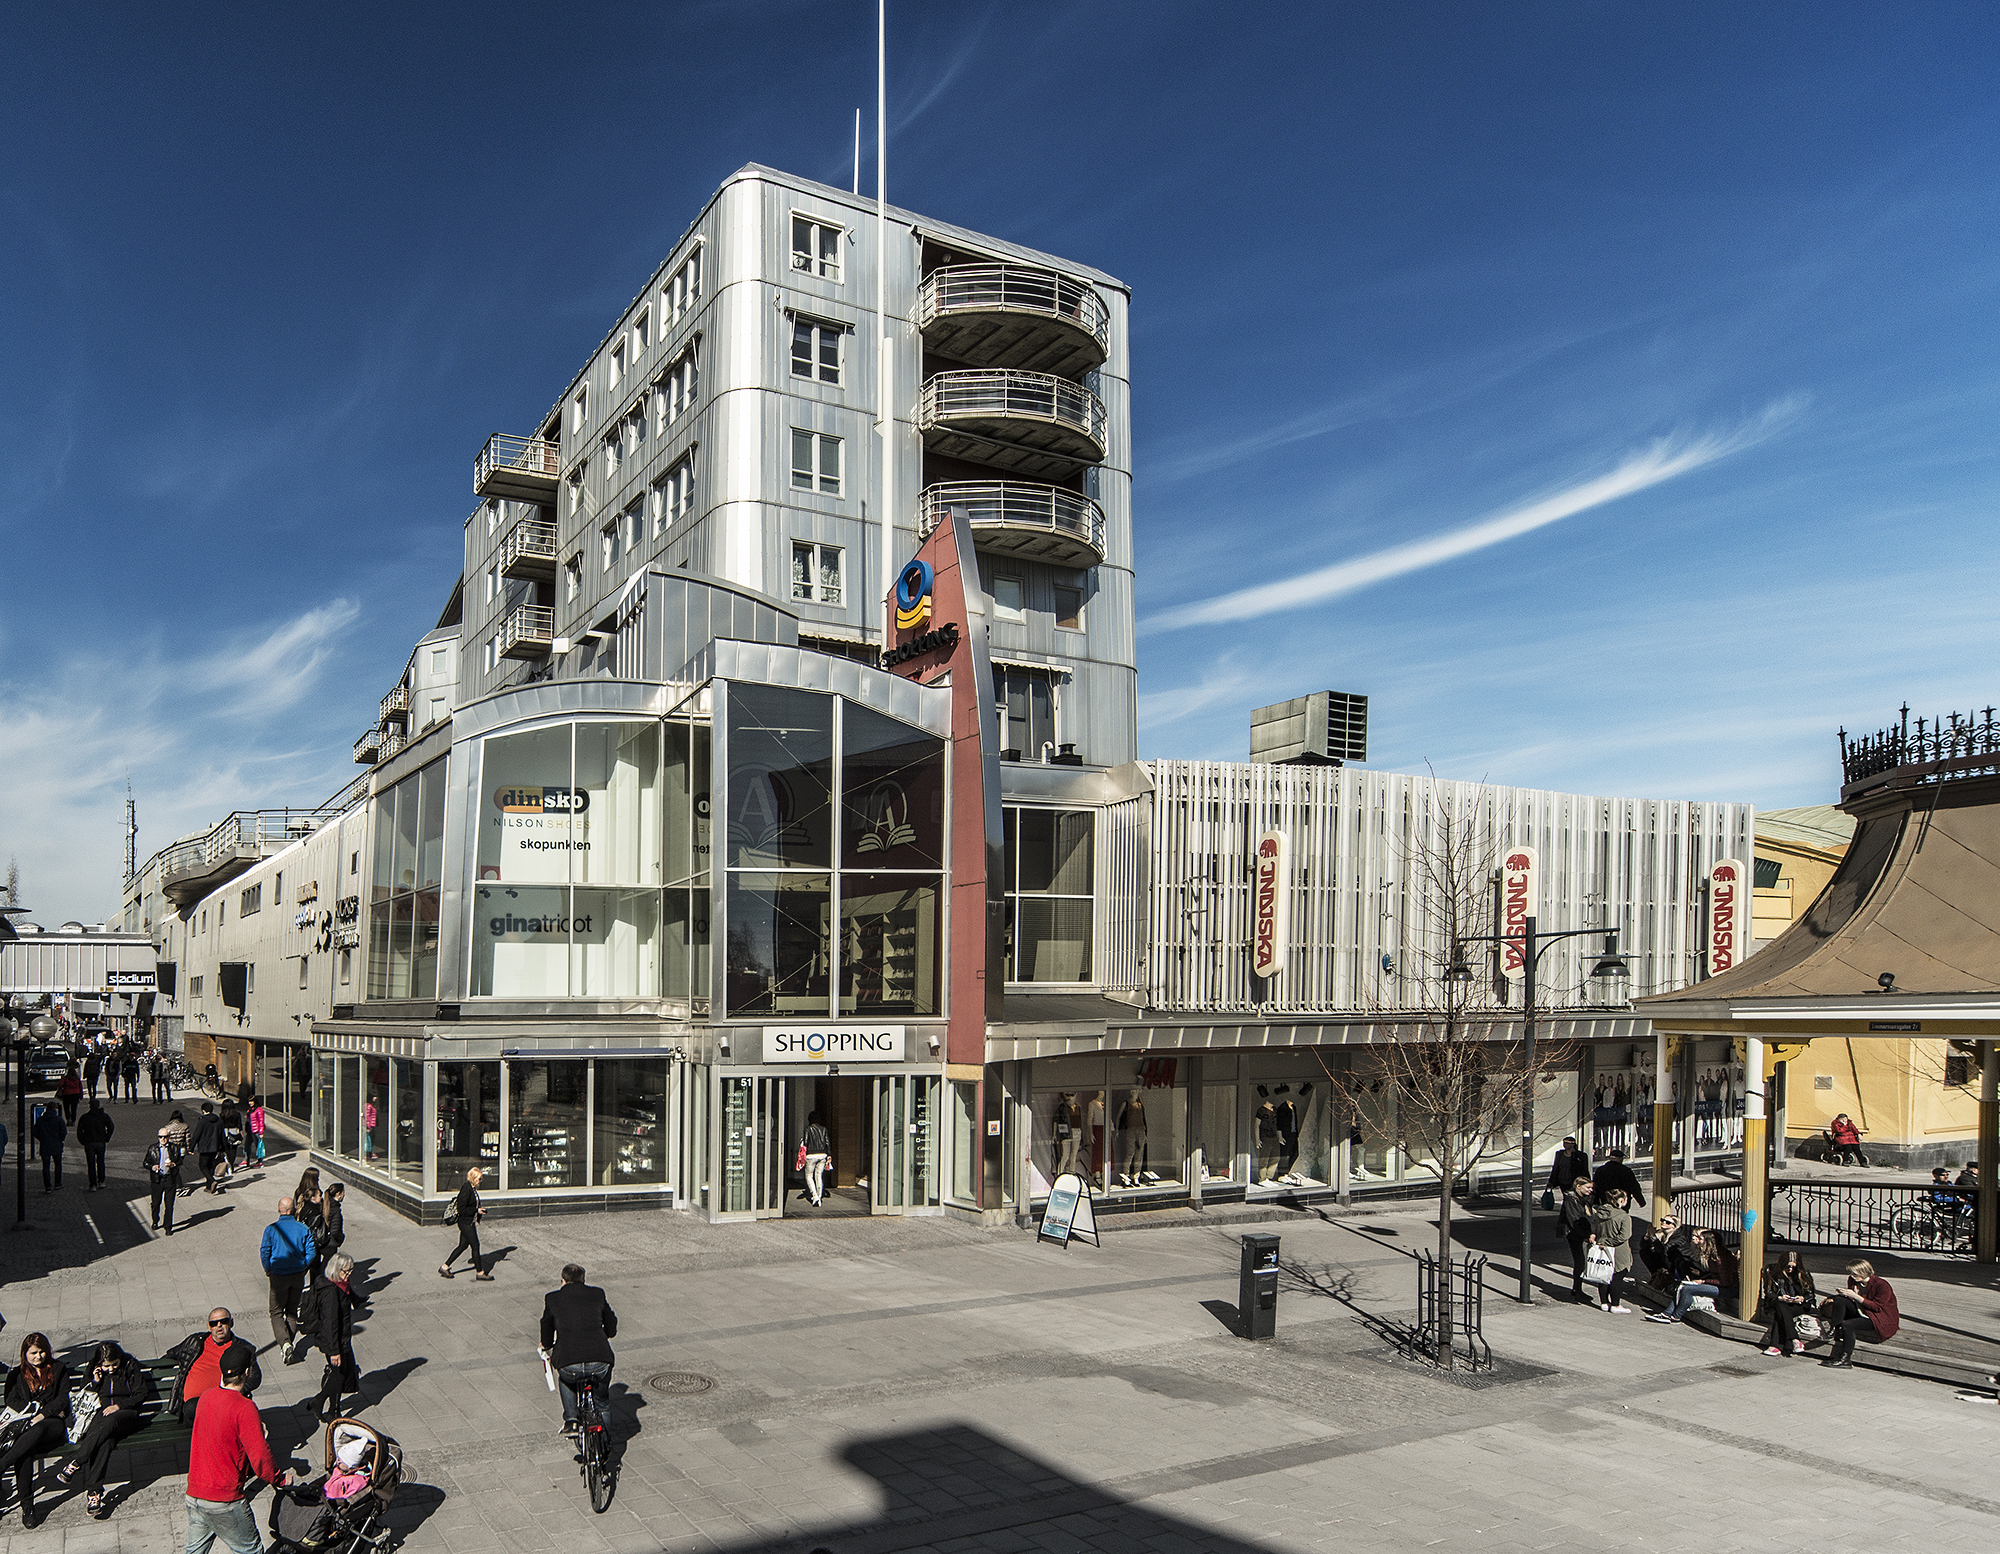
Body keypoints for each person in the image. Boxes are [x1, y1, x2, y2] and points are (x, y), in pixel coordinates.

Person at [185, 1342, 285, 1554]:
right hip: (224, 1500)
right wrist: (279, 1479)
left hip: (195, 1495)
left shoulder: (205, 1397)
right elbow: (259, 1456)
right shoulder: (244, 1407)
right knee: (251, 1550)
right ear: (247, 1373)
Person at [51, 1342, 152, 1517]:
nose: (111, 1369)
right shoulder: (94, 1369)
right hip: (102, 1418)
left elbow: (141, 1394)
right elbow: (85, 1393)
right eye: (106, 1365)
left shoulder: (130, 1365)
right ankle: (94, 1494)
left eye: (114, 1364)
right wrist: (95, 1382)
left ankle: (76, 1461)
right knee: (104, 1443)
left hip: (126, 1416)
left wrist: (119, 1406)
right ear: (99, 1363)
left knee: (108, 1423)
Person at [0, 1333, 71, 1529]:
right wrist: (33, 1409)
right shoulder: (17, 1375)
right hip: (26, 1428)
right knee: (25, 1451)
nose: (38, 1357)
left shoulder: (58, 1369)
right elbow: (11, 1401)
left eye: (41, 1352)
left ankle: (2, 1464)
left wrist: (42, 1413)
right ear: (25, 1354)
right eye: (33, 1353)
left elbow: (63, 1399)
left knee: (34, 1432)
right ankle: (27, 1507)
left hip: (53, 1425)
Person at [540, 1262, 618, 1439]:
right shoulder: (597, 1294)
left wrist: (545, 1345)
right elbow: (611, 1323)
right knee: (603, 1404)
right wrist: (607, 1334)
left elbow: (546, 1325)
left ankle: (571, 1420)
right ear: (583, 1280)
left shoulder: (553, 1298)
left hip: (569, 1363)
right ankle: (605, 1445)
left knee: (565, 1381)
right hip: (600, 1360)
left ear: (563, 1281)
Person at [165, 1310, 262, 1423]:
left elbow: (255, 1377)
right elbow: (171, 1353)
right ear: (209, 1327)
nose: (218, 1326)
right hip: (192, 1409)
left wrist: (233, 1393)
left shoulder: (242, 1348)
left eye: (223, 1321)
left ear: (231, 1323)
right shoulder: (195, 1341)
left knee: (192, 1408)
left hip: (223, 1405)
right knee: (191, 1408)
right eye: (214, 1323)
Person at [305, 1253, 362, 1423]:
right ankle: (320, 1401)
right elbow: (330, 1324)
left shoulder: (341, 1285)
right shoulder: (331, 1292)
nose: (349, 1274)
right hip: (334, 1341)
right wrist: (334, 1351)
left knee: (339, 1374)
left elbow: (349, 1295)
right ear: (337, 1271)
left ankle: (333, 1410)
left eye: (351, 1270)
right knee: (340, 1373)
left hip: (341, 1338)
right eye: (346, 1271)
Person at [261, 1197, 317, 1352]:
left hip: (278, 1274)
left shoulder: (271, 1229)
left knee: (276, 1311)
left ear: (279, 1209)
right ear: (293, 1210)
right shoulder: (303, 1228)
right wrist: (302, 1264)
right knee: (292, 1311)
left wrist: (268, 1269)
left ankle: (285, 1344)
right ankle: (289, 1343)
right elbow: (311, 1251)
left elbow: (265, 1251)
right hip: (297, 1274)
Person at [1821, 1259, 1899, 1369]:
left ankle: (1845, 1359)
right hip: (1862, 1310)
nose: (1852, 1277)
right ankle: (1835, 1329)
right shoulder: (1853, 1281)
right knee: (1839, 1299)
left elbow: (1877, 1307)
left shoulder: (1882, 1285)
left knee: (1848, 1325)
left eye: (1855, 1274)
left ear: (1863, 1272)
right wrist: (1847, 1294)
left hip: (1878, 1318)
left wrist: (1856, 1296)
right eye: (1851, 1274)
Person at [1646, 1229, 1739, 1323]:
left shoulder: (1722, 1258)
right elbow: (1715, 1274)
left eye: (1701, 1239)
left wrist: (1703, 1282)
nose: (1698, 1241)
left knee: (1687, 1289)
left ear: (1709, 1242)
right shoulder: (1712, 1256)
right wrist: (1702, 1277)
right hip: (1719, 1286)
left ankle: (1676, 1316)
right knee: (1682, 1286)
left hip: (1728, 1289)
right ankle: (1667, 1314)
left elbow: (1726, 1282)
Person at [1760, 1251, 1818, 1358]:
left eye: (1793, 1267)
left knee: (1780, 1315)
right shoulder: (1772, 1272)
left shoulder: (1803, 1273)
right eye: (1788, 1267)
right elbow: (1768, 1292)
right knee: (1781, 1306)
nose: (1790, 1270)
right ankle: (1794, 1339)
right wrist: (1780, 1297)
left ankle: (1775, 1345)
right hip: (1779, 1302)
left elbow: (1810, 1294)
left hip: (1798, 1304)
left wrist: (1802, 1298)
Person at [1586, 1186, 1635, 1313]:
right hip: (1618, 1250)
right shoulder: (1623, 1216)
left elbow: (1594, 1228)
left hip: (1602, 1248)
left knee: (1603, 1274)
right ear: (1622, 1200)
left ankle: (1604, 1302)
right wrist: (1608, 1242)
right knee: (1617, 1276)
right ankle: (1615, 1304)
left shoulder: (1600, 1213)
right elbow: (1624, 1235)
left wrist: (1600, 1240)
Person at [440, 1166, 492, 1280]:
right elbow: (462, 1209)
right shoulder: (466, 1189)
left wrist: (478, 1211)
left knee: (463, 1245)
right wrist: (476, 1210)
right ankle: (480, 1272)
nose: (480, 1181)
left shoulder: (471, 1188)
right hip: (465, 1223)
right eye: (479, 1179)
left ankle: (445, 1267)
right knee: (475, 1245)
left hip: (469, 1221)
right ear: (473, 1178)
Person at [1558, 1175, 1596, 1300]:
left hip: (1579, 1232)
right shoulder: (1571, 1200)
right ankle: (1577, 1289)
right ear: (1578, 1186)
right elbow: (1574, 1219)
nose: (1590, 1190)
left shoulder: (1583, 1198)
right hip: (1573, 1233)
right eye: (1588, 1187)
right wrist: (1586, 1235)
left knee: (1580, 1261)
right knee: (1579, 1260)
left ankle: (1577, 1288)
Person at [146, 1126, 181, 1234]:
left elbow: (180, 1162)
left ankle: (168, 1226)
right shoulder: (152, 1148)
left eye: (165, 1137)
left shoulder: (174, 1148)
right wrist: (152, 1167)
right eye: (161, 1137)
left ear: (169, 1137)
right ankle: (155, 1220)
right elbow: (146, 1162)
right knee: (156, 1203)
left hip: (169, 1179)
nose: (163, 1139)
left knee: (169, 1204)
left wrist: (173, 1164)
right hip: (157, 1180)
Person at [1592, 1148, 1646, 1213]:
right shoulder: (1626, 1171)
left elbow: (1595, 1187)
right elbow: (1634, 1187)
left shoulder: (1600, 1170)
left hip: (1605, 1200)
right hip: (1622, 1202)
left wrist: (1595, 1202)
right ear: (1620, 1159)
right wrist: (1641, 1201)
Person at [32, 1101, 67, 1192]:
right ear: (55, 1109)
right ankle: (57, 1183)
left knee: (46, 1167)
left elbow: (35, 1132)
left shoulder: (40, 1120)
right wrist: (60, 1139)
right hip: (56, 1145)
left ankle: (47, 1186)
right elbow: (63, 1132)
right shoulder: (59, 1120)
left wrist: (42, 1138)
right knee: (58, 1165)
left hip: (45, 1145)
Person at [191, 1102, 224, 1194]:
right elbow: (222, 1135)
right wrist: (223, 1147)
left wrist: (191, 1148)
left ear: (203, 1110)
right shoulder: (219, 1121)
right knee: (210, 1166)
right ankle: (209, 1186)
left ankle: (212, 1180)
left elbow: (197, 1135)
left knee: (202, 1166)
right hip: (215, 1147)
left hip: (205, 1147)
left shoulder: (202, 1121)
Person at [800, 1111, 832, 1206]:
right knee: (819, 1176)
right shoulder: (824, 1129)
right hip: (822, 1155)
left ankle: (815, 1196)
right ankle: (819, 1196)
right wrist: (829, 1155)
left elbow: (806, 1142)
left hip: (811, 1155)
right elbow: (827, 1142)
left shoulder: (808, 1129)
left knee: (809, 1176)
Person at [219, 1099, 243, 1176]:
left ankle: (227, 1165)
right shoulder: (237, 1114)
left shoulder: (222, 1115)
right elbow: (239, 1125)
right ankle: (231, 1165)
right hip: (235, 1133)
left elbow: (221, 1125)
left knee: (226, 1150)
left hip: (225, 1133)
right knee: (233, 1150)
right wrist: (241, 1134)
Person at [248, 1096, 267, 1165]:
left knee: (259, 1146)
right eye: (249, 1101)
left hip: (256, 1130)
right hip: (251, 1130)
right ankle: (248, 1160)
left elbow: (261, 1121)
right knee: (248, 1145)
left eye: (251, 1101)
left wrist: (261, 1132)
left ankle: (260, 1161)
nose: (249, 1103)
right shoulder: (251, 1109)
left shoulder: (259, 1110)